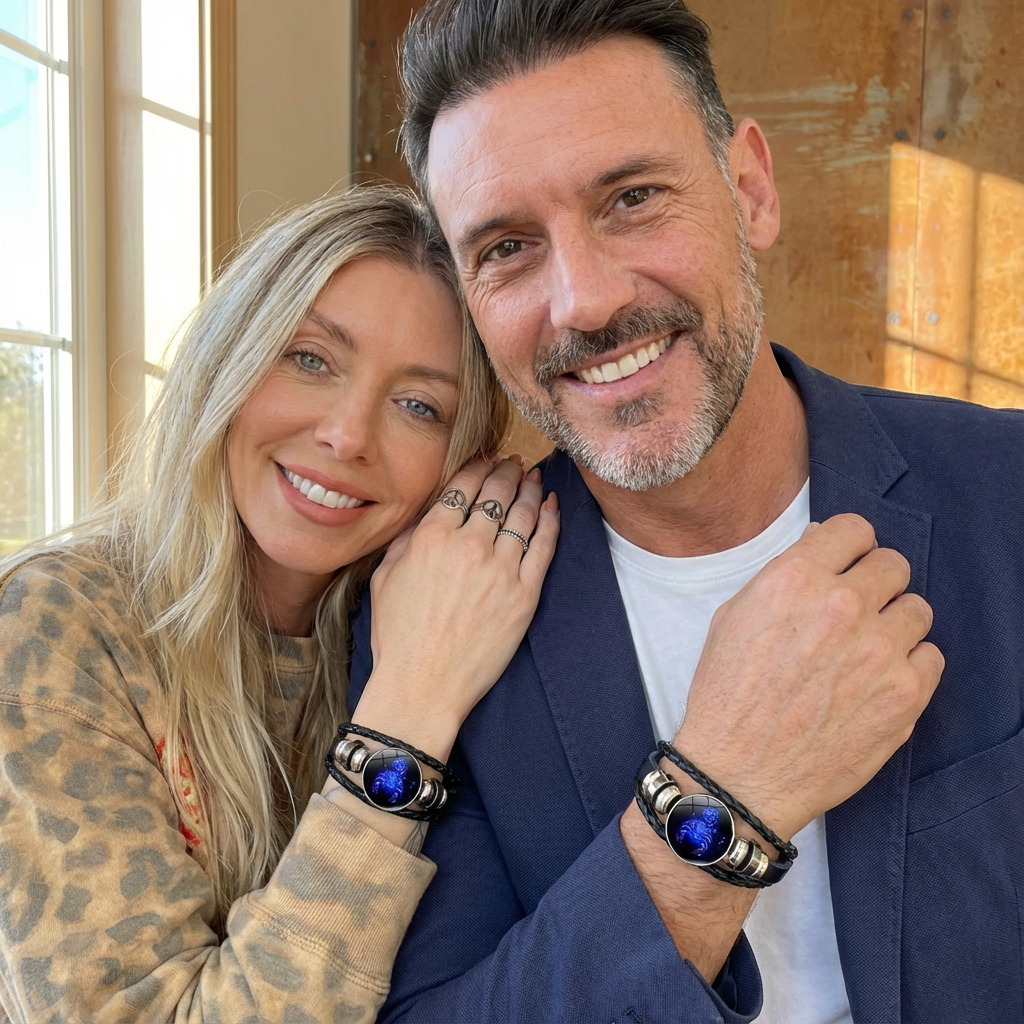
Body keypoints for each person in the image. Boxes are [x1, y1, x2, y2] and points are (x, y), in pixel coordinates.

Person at [346, 2, 1024, 1021]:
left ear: (749, 190)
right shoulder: (440, 611)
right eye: (507, 247)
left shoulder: (1006, 495)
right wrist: (717, 804)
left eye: (631, 199)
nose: (584, 300)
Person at [0, 186, 560, 1023]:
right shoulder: (55, 625)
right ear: (228, 356)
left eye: (419, 405)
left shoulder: (447, 630)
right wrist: (409, 711)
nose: (348, 435)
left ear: (464, 461)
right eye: (310, 359)